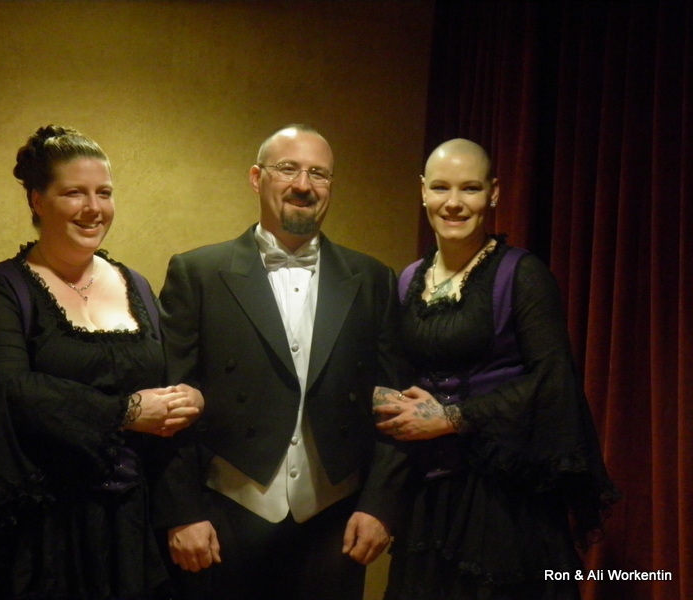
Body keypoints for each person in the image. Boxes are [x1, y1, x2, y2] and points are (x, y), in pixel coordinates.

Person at [0, 125, 203, 600]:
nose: (93, 208)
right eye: (74, 192)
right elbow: (9, 390)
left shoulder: (137, 286)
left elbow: (164, 386)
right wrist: (126, 412)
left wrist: (188, 398)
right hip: (33, 528)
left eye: (104, 193)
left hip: (128, 524)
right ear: (37, 200)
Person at [157, 124, 410, 600]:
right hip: (225, 516)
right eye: (288, 169)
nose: (303, 184)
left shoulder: (373, 279)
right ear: (257, 178)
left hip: (336, 521)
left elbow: (396, 404)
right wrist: (182, 511)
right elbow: (170, 402)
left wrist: (381, 505)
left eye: (319, 173)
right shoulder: (198, 273)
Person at [372, 138, 619, 600]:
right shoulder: (407, 280)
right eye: (441, 187)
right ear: (423, 191)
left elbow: (553, 383)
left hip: (503, 497)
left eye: (470, 188)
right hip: (429, 496)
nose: (453, 202)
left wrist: (452, 418)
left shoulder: (522, 274)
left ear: (494, 193)